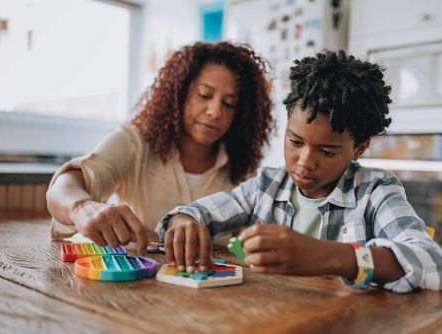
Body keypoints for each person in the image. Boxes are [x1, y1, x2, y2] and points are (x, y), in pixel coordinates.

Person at [156, 50, 442, 293]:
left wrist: (327, 256)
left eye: (327, 151)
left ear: (359, 148)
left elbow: (433, 266)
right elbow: (195, 214)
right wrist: (184, 221)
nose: (305, 162)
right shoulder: (267, 187)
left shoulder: (375, 191)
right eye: (295, 142)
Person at [46, 41, 275, 253]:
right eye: (204, 95)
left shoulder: (243, 166)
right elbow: (63, 187)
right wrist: (81, 208)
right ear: (178, 93)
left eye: (229, 104)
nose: (215, 112)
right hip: (135, 286)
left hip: (208, 290)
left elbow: (246, 239)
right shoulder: (134, 141)